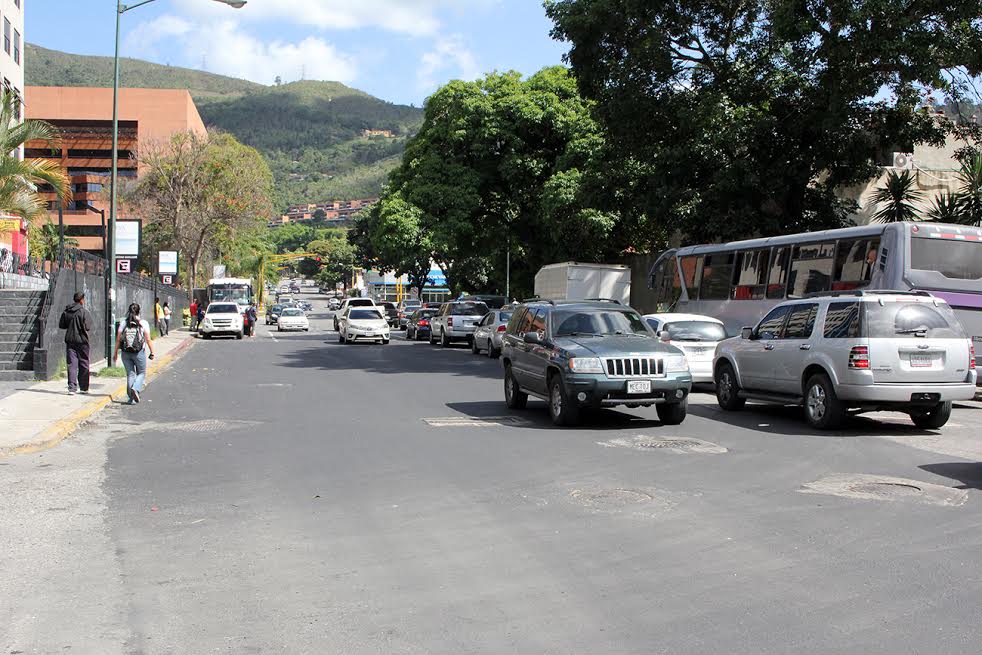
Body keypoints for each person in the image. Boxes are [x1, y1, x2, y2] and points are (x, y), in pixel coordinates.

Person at [113, 303, 155, 404]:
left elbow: (118, 340)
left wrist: (115, 353)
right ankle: (135, 388)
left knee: (130, 374)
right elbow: (148, 339)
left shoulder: (124, 323)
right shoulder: (143, 323)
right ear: (139, 311)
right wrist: (152, 351)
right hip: (138, 352)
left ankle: (131, 399)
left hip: (125, 352)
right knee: (141, 373)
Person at [58, 291, 93, 395]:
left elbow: (62, 325)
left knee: (72, 364)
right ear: (82, 300)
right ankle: (84, 387)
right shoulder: (84, 312)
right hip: (82, 340)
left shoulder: (67, 311)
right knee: (84, 363)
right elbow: (88, 327)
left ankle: (72, 388)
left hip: (70, 340)